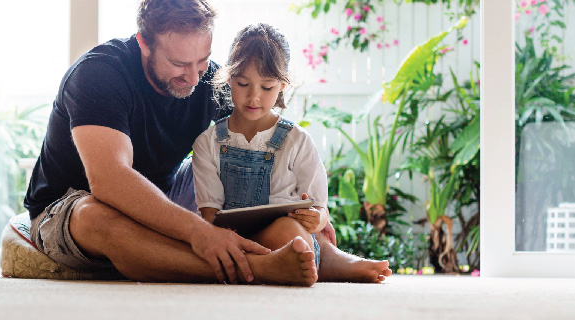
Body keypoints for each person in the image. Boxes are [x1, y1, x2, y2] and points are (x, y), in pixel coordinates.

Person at [22, 0, 318, 286]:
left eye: (202, 60)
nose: (193, 77)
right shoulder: (99, 74)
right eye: (179, 63)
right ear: (144, 43)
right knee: (94, 216)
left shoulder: (207, 78)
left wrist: (309, 205)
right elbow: (109, 181)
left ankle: (330, 258)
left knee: (234, 159)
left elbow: (262, 139)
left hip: (166, 195)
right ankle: (254, 269)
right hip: (72, 205)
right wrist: (198, 232)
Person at [192, 23, 392, 283]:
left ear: (283, 85)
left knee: (290, 234)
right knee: (285, 240)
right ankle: (310, 264)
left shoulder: (296, 140)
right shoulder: (208, 143)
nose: (254, 97)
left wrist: (316, 218)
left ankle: (312, 261)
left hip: (286, 234)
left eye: (267, 87)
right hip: (233, 239)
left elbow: (321, 209)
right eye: (243, 84)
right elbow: (209, 216)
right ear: (229, 79)